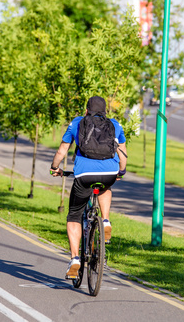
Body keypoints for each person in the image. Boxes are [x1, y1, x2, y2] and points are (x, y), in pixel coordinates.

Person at [50, 96, 127, 279]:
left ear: (86, 111)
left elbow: (62, 150)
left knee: (75, 214)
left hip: (84, 175)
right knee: (105, 188)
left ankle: (75, 258)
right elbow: (123, 153)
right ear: (105, 112)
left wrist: (55, 168)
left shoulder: (77, 123)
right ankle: (105, 220)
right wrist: (120, 171)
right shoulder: (115, 124)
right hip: (109, 172)